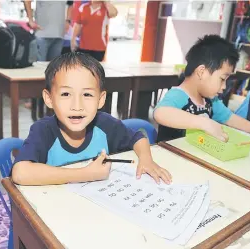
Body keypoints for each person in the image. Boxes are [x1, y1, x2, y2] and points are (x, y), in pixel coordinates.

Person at [12, 52, 172, 186]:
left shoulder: (105, 124)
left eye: (87, 94)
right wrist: (85, 174)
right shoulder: (43, 130)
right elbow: (20, 173)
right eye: (66, 94)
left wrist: (146, 160)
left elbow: (138, 138)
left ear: (101, 99)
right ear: (49, 99)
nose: (77, 105)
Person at [153, 35, 250, 144]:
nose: (224, 86)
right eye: (222, 79)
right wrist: (203, 123)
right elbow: (160, 113)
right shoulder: (178, 95)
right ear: (202, 72)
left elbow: (230, 118)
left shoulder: (210, 101)